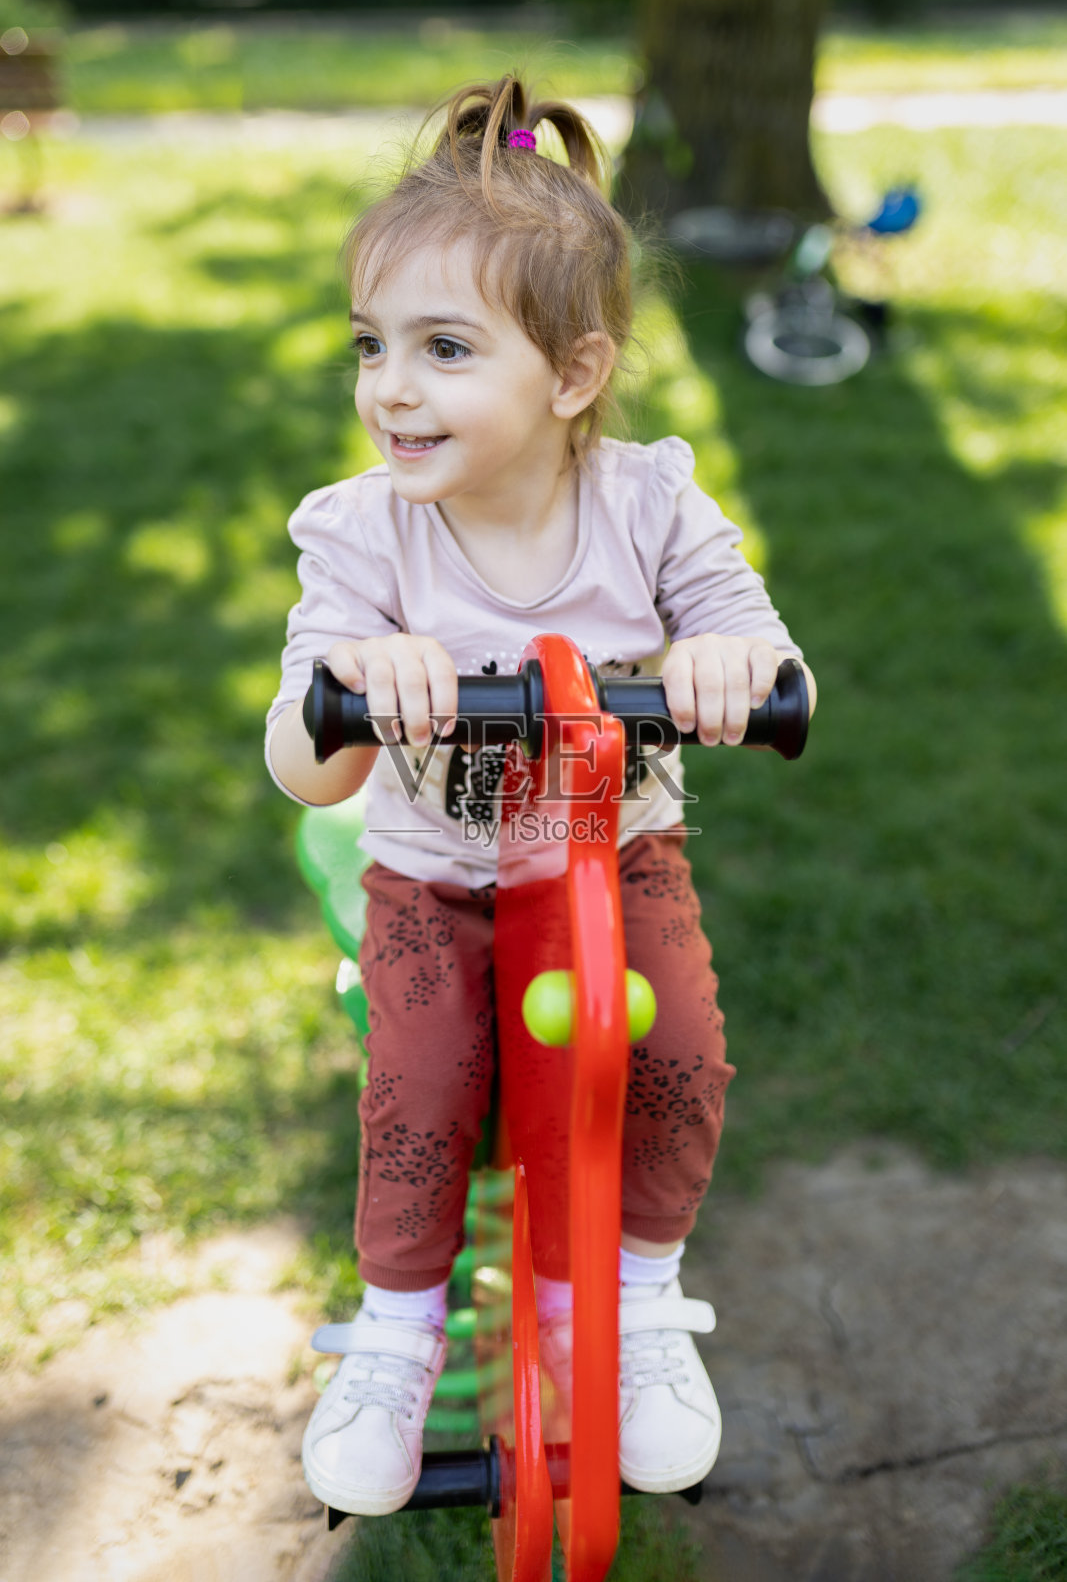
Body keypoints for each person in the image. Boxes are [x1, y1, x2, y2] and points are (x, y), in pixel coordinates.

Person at [266, 75, 817, 1519]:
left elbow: (767, 654)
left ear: (573, 374)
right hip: (434, 875)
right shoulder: (365, 537)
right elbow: (302, 755)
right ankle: (396, 1332)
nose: (390, 387)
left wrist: (724, 664)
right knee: (425, 1080)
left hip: (614, 859)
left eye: (444, 348)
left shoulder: (650, 506)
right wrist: (354, 681)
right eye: (371, 343)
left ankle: (636, 1300)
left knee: (677, 1049)